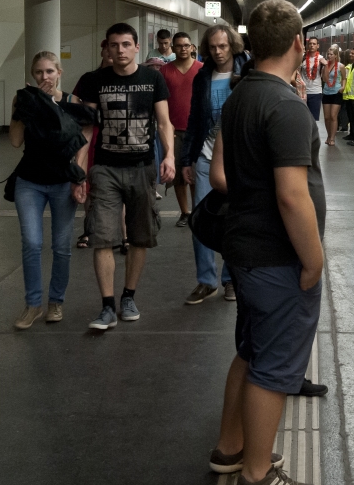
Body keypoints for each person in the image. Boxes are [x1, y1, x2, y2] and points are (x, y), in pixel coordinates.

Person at [207, 0, 323, 485]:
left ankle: (231, 447)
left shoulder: (240, 96)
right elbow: (292, 195)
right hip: (277, 256)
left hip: (245, 247)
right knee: (275, 369)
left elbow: (230, 174)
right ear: (299, 42)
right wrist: (314, 260)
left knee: (250, 352)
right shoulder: (286, 106)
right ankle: (257, 474)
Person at [83, 23, 174, 330]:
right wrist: (79, 170)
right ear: (106, 48)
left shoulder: (153, 79)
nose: (119, 50)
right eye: (114, 45)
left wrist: (170, 156)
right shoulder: (94, 81)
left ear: (137, 47)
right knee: (102, 237)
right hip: (106, 168)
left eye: (125, 44)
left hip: (142, 168)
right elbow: (85, 130)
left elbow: (164, 123)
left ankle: (128, 297)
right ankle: (107, 306)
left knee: (139, 236)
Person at [8, 52, 93, 329]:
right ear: (33, 75)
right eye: (39, 72)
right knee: (32, 243)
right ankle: (32, 304)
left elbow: (84, 140)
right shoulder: (24, 100)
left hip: (61, 182)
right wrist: (28, 107)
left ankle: (56, 301)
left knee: (61, 246)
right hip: (29, 181)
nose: (44, 77)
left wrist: (78, 176)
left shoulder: (72, 102)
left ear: (59, 73)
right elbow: (15, 141)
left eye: (49, 72)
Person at [180, 23, 249, 305]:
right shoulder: (203, 76)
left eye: (223, 46)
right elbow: (195, 119)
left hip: (242, 159)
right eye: (212, 47)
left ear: (232, 44)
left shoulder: (247, 71)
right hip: (208, 156)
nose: (218, 52)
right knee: (201, 221)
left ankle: (230, 278)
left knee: (236, 221)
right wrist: (188, 158)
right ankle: (206, 281)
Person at [72, 40, 113, 249]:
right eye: (109, 47)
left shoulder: (126, 79)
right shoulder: (89, 79)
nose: (113, 52)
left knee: (115, 186)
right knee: (88, 183)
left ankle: (121, 233)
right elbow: (76, 104)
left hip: (115, 138)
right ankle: (89, 229)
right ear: (103, 50)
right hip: (92, 134)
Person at [160, 31, 202, 227]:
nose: (183, 49)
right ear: (173, 48)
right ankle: (184, 212)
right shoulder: (165, 72)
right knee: (177, 176)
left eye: (186, 45)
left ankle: (196, 210)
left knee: (194, 173)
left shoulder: (202, 69)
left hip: (197, 131)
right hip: (173, 130)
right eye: (179, 46)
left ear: (192, 47)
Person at [321, 45, 345, 145]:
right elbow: (324, 79)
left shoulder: (341, 66)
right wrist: (325, 67)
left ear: (335, 56)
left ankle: (332, 138)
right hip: (326, 92)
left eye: (331, 54)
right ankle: (328, 135)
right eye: (328, 54)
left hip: (336, 92)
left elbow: (344, 78)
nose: (329, 56)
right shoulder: (325, 66)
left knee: (333, 116)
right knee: (326, 117)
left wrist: (343, 87)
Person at [299, 37, 326, 119]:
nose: (312, 45)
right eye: (310, 44)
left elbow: (325, 77)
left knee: (313, 118)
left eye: (314, 44)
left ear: (318, 46)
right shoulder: (302, 58)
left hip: (316, 92)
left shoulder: (321, 59)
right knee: (303, 117)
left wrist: (326, 65)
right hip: (303, 92)